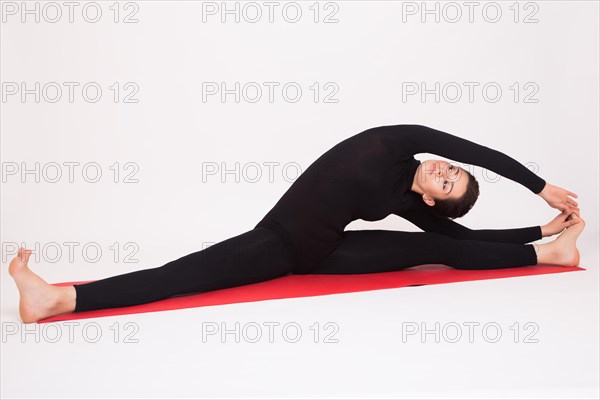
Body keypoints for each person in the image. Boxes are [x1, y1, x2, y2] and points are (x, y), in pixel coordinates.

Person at [8, 124, 585, 323]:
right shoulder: (399, 144)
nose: (445, 168)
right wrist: (538, 189)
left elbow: (459, 240)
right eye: (450, 170)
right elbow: (473, 148)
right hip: (277, 246)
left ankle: (547, 256)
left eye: (447, 182)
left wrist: (537, 233)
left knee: (434, 249)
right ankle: (62, 300)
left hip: (324, 252)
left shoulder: (407, 204)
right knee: (178, 274)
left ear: (435, 199)